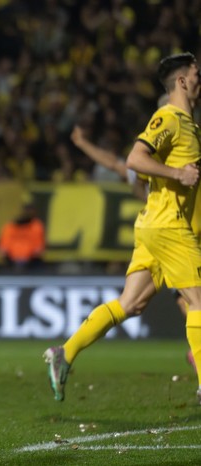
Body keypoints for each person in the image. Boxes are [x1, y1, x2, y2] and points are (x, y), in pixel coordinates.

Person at [44, 52, 201, 404]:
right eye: (196, 73)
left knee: (131, 303)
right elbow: (134, 159)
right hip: (169, 226)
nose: (199, 79)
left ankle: (64, 353)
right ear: (181, 81)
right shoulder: (169, 117)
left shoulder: (189, 126)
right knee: (199, 302)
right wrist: (178, 173)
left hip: (156, 227)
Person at [71, 122, 197, 372]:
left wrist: (83, 143)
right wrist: (83, 144)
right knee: (192, 304)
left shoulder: (182, 157)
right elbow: (119, 164)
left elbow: (118, 164)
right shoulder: (172, 163)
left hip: (172, 237)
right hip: (175, 239)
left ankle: (66, 352)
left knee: (133, 304)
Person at [0, 203, 45, 272]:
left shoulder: (36, 226)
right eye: (27, 212)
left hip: (30, 263)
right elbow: (3, 248)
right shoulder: (10, 226)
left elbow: (38, 248)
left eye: (31, 212)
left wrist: (30, 257)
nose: (28, 214)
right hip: (11, 262)